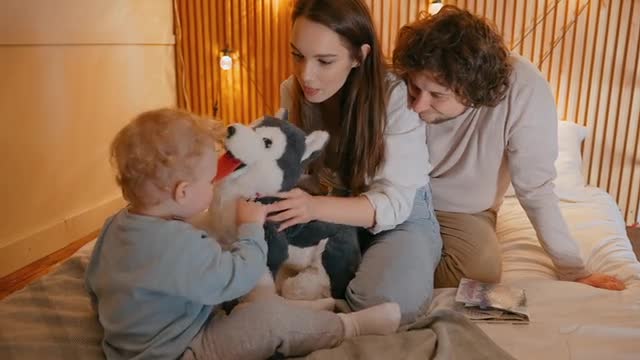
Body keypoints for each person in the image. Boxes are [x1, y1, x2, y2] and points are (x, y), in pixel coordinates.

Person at [85, 108, 401, 360]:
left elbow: (94, 285)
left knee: (241, 307)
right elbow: (241, 276)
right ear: (183, 192)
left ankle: (299, 313)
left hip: (124, 349)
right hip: (180, 351)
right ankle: (347, 326)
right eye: (210, 180)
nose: (214, 185)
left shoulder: (115, 225)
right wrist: (250, 228)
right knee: (265, 320)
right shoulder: (180, 245)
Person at [391, 5, 625, 291]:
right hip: (393, 189)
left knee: (478, 273)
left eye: (437, 95)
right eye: (415, 89)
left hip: (461, 209)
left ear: (473, 90)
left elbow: (535, 187)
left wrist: (573, 269)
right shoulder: (400, 78)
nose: (418, 105)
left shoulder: (525, 89)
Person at [265, 0, 443, 324]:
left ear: (359, 56)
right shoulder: (291, 90)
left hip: (397, 214)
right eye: (298, 55)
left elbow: (395, 203)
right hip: (326, 206)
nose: (307, 75)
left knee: (384, 306)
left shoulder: (395, 98)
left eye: (325, 61)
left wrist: (314, 208)